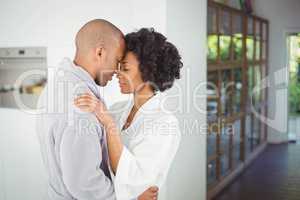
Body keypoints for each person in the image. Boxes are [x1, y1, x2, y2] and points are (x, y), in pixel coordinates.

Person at [36, 19, 157, 200]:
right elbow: (85, 183)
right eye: (117, 61)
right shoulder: (81, 106)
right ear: (100, 52)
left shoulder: (57, 84)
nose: (118, 71)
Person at [74, 28, 183, 200]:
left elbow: (134, 181)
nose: (117, 73)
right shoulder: (117, 108)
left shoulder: (165, 124)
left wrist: (109, 124)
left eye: (125, 68)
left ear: (148, 73)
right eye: (118, 66)